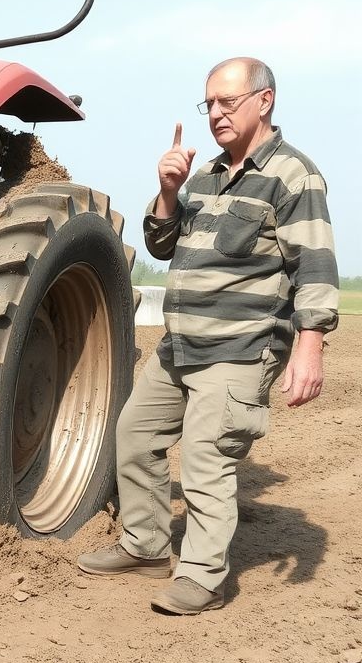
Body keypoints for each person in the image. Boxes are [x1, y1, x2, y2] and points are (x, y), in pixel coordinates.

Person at [76, 57, 339, 614]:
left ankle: (203, 576)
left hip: (240, 348)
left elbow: (313, 265)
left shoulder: (295, 176)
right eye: (209, 105)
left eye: (227, 102)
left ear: (263, 101)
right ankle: (145, 545)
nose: (216, 114)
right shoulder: (205, 176)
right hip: (181, 346)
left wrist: (310, 347)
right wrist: (168, 191)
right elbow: (163, 246)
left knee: (205, 456)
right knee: (134, 434)